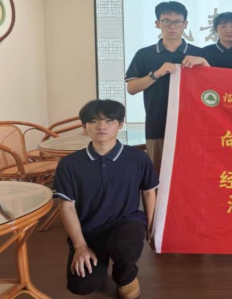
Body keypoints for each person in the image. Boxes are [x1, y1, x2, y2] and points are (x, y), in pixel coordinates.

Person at [54, 100, 159, 299]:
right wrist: (80, 246)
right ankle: (99, 266)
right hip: (89, 229)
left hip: (126, 222)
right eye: (94, 121)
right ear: (84, 127)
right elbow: (66, 206)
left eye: (109, 120)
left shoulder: (138, 158)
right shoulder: (69, 164)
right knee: (82, 286)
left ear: (120, 124)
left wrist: (152, 228)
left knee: (125, 245)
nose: (101, 126)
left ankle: (126, 277)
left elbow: (148, 192)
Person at [125, 1, 211, 175]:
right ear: (157, 23)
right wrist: (155, 74)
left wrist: (203, 63)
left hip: (193, 127)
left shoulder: (199, 53)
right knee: (158, 176)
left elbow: (214, 90)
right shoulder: (144, 54)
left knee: (191, 175)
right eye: (166, 21)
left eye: (177, 21)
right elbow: (131, 88)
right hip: (157, 124)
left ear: (185, 24)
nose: (172, 26)